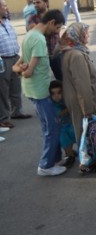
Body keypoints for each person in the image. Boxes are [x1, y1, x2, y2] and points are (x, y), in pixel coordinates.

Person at [13, 10, 66, 176]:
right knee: (52, 128)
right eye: (57, 28)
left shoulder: (29, 35)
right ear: (51, 22)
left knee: (47, 127)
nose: (57, 32)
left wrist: (21, 69)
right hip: (39, 91)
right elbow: (28, 72)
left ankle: (53, 159)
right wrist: (24, 70)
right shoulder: (39, 39)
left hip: (32, 90)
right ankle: (46, 165)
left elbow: (17, 65)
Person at [60, 23, 96, 173]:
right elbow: (82, 85)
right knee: (88, 132)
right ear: (78, 36)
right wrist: (88, 109)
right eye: (85, 33)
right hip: (85, 102)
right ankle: (89, 162)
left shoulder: (75, 52)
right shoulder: (77, 55)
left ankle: (92, 159)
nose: (87, 35)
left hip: (81, 101)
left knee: (86, 131)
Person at [0, 0, 32, 129]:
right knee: (2, 91)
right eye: (4, 6)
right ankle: (3, 118)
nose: (7, 8)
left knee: (16, 87)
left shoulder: (6, 21)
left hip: (14, 58)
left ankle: (16, 111)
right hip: (2, 60)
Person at [49, 80, 77, 167]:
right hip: (61, 127)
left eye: (59, 93)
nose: (56, 96)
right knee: (63, 136)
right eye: (53, 94)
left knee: (73, 132)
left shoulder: (67, 99)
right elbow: (59, 114)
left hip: (71, 124)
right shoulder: (50, 103)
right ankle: (69, 155)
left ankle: (73, 153)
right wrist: (69, 108)